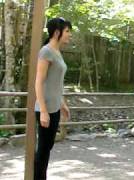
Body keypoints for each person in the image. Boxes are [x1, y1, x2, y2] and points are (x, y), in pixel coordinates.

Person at [34, 17, 72, 180]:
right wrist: (43, 111)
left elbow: (55, 83)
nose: (70, 35)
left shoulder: (57, 53)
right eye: (67, 31)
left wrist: (62, 103)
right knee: (43, 150)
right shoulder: (46, 51)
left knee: (47, 148)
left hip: (55, 107)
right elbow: (39, 82)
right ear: (57, 33)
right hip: (45, 109)